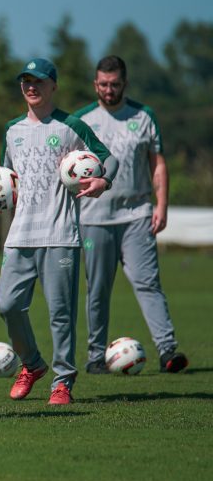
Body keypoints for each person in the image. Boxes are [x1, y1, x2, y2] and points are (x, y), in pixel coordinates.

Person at [0, 58, 119, 405]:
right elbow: (4, 180)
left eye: (38, 81)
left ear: (54, 85)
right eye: (26, 81)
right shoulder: (12, 130)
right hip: (20, 235)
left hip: (60, 236)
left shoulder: (71, 125)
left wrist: (102, 179)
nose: (31, 87)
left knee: (60, 314)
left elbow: (108, 158)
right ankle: (33, 364)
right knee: (6, 303)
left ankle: (63, 381)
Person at [75, 55, 187, 374]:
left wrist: (161, 205)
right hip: (94, 218)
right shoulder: (82, 120)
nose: (109, 90)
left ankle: (167, 351)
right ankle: (96, 356)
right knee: (97, 289)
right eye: (103, 84)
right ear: (95, 84)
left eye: (115, 84)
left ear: (125, 83)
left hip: (137, 214)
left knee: (147, 283)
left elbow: (158, 163)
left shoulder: (143, 116)